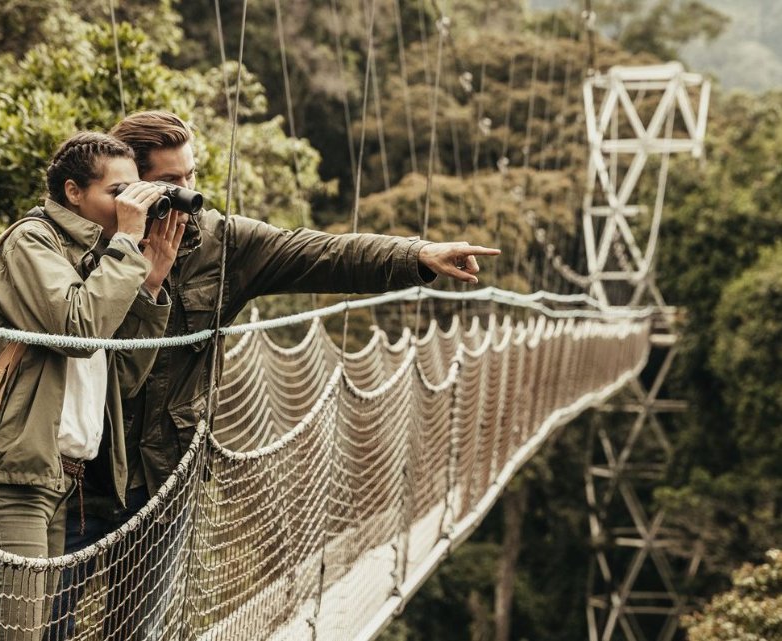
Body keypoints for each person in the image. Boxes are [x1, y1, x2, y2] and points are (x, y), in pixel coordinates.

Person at [52, 110, 500, 639]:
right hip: (81, 478)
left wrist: (419, 255)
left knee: (138, 632)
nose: (186, 193)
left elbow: (324, 253)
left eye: (191, 177)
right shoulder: (76, 244)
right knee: (45, 626)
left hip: (167, 478)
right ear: (128, 185)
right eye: (169, 182)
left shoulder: (222, 246)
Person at [0, 131, 183, 641]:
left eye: (135, 192)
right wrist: (126, 246)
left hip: (60, 480)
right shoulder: (30, 242)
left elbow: (121, 376)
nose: (128, 207)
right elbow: (76, 330)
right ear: (73, 192)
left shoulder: (97, 260)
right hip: (8, 477)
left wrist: (151, 287)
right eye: (116, 193)